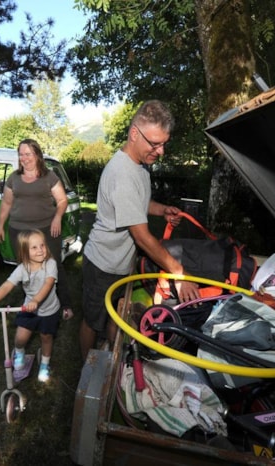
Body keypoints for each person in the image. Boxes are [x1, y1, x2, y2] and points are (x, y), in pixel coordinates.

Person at [79, 100, 200, 362]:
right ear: (135, 134)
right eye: (155, 143)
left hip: (122, 263)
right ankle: (87, 370)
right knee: (93, 321)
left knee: (118, 314)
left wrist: (160, 210)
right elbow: (142, 237)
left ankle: (114, 362)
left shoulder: (139, 165)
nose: (161, 151)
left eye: (164, 144)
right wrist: (178, 272)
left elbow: (138, 203)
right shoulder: (122, 173)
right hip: (103, 265)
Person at [0, 139, 74, 321]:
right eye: (21, 154)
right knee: (25, 267)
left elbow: (62, 201)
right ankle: (31, 302)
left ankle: (65, 303)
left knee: (54, 265)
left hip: (46, 230)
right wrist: (0, 225)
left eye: (28, 154)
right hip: (18, 231)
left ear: (37, 155)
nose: (24, 158)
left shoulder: (49, 176)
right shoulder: (14, 178)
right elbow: (6, 203)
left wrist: (57, 217)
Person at [0, 229, 60, 382]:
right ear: (24, 251)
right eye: (34, 247)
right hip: (28, 309)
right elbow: (7, 285)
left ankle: (45, 364)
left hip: (49, 310)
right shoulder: (22, 269)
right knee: (20, 337)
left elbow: (48, 285)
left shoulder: (50, 264)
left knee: (46, 337)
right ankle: (20, 351)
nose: (40, 250)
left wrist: (36, 300)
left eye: (42, 245)